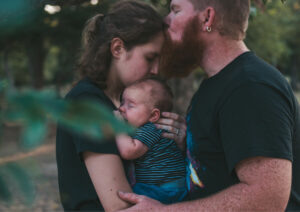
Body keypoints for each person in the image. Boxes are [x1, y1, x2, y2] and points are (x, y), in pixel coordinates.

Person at [118, 0, 300, 211]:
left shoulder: (250, 86)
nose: (166, 20)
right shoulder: (215, 85)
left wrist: (162, 211)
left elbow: (267, 198)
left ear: (207, 18)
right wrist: (187, 145)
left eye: (175, 10)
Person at [55, 1, 187, 211]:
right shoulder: (88, 103)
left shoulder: (120, 105)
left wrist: (177, 144)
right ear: (117, 48)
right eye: (150, 57)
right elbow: (120, 206)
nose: (155, 70)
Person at [115, 78, 187, 204]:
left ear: (154, 116)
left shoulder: (151, 128)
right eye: (122, 102)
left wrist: (117, 125)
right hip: (170, 188)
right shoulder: (150, 127)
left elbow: (129, 151)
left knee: (129, 196)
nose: (121, 109)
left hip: (164, 190)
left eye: (130, 105)